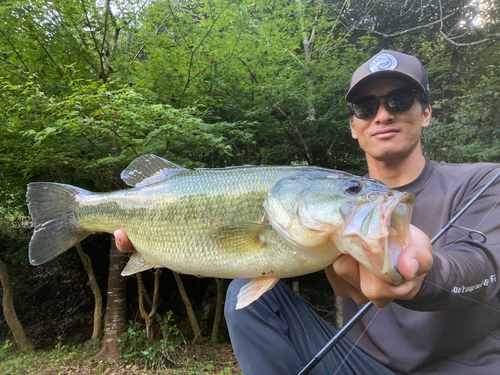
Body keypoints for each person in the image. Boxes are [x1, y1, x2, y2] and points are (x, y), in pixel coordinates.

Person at [115, 50, 500, 374]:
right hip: (359, 364)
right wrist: (185, 246)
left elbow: (488, 268)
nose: (382, 114)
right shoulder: (327, 202)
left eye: (399, 100)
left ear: (427, 112)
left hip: (465, 367)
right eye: (366, 106)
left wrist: (425, 274)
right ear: (353, 126)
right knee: (244, 297)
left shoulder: (484, 181)